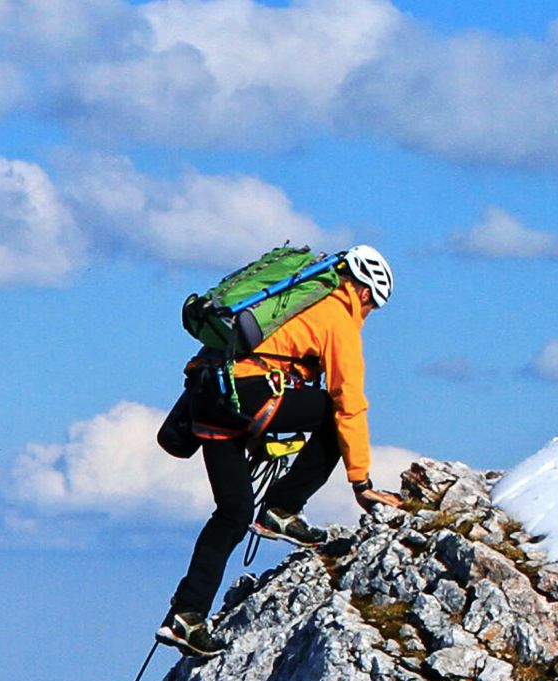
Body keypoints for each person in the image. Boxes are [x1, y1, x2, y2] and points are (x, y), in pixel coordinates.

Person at [157, 244, 402, 658]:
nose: (368, 314)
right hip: (248, 397)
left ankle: (186, 616)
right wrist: (361, 481)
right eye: (372, 306)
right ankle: (283, 509)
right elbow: (350, 402)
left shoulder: (286, 303)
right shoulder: (336, 317)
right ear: (363, 293)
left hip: (209, 398)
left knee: (233, 514)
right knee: (330, 414)